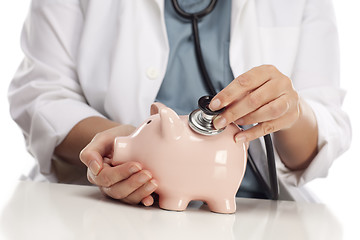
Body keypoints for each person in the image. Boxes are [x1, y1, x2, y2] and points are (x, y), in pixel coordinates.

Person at [8, 0, 351, 206]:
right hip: (102, 206)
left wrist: (289, 111)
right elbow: (42, 91)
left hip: (253, 207)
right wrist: (123, 144)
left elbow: (324, 129)